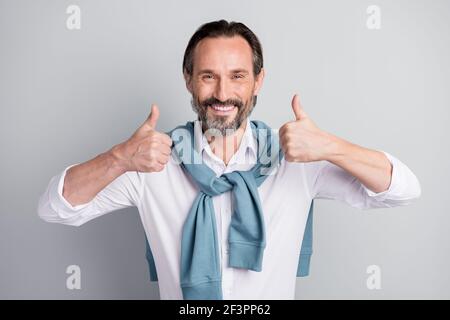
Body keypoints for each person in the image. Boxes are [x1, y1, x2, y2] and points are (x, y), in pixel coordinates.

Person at [38, 20, 421, 300]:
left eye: (237, 76)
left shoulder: (297, 157)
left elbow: (402, 190)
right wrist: (118, 158)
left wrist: (331, 147)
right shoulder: (150, 161)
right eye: (208, 76)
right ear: (188, 79)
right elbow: (57, 209)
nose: (223, 93)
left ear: (258, 81)